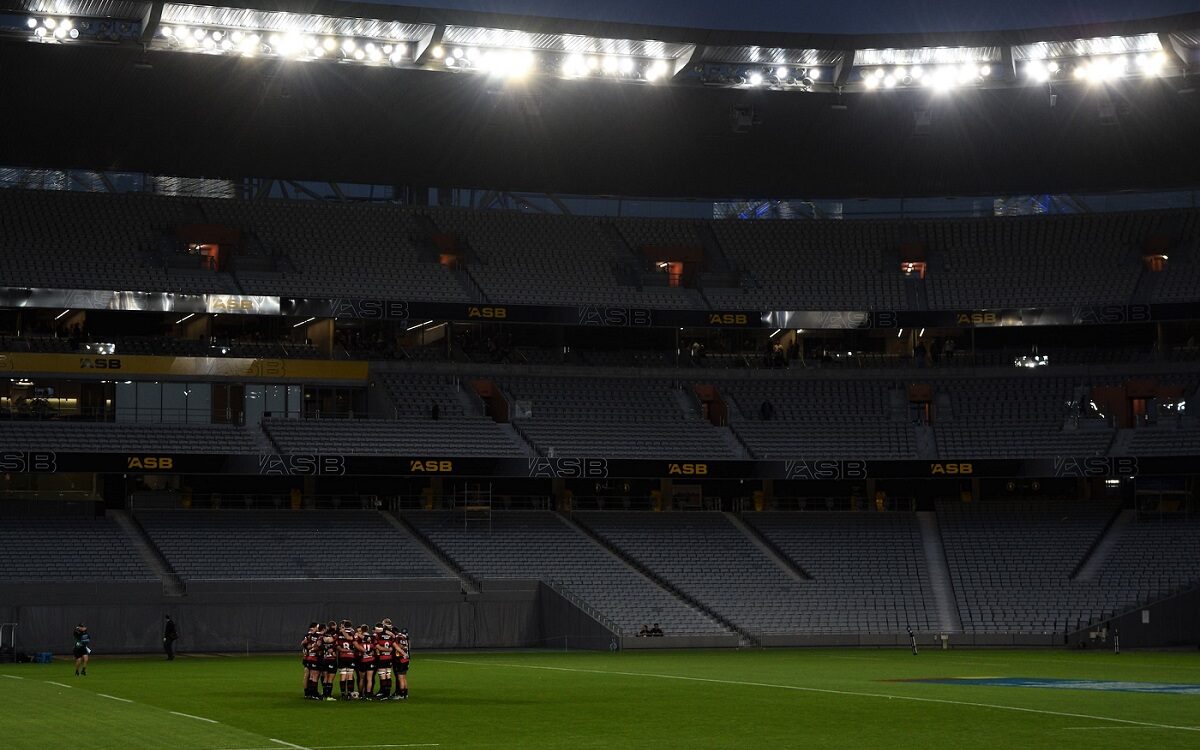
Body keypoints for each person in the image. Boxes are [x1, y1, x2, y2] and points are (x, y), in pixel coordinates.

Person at [336, 620, 358, 700]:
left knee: (343, 675)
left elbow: (338, 647)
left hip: (342, 657)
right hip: (350, 657)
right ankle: (349, 693)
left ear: (344, 626)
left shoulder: (339, 634)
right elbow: (352, 640)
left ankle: (342, 694)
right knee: (350, 675)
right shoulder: (353, 633)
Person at [373, 623, 395, 700]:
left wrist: (386, 649)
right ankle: (387, 693)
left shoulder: (377, 635)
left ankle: (384, 693)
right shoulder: (390, 635)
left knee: (382, 675)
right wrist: (389, 650)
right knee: (388, 675)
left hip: (382, 658)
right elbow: (393, 644)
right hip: (389, 657)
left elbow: (378, 647)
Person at [394, 626, 411, 700]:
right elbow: (407, 647)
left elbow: (398, 646)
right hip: (406, 659)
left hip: (401, 659)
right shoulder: (406, 638)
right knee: (404, 677)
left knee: (400, 678)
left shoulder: (398, 637)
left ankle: (401, 694)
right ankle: (405, 694)